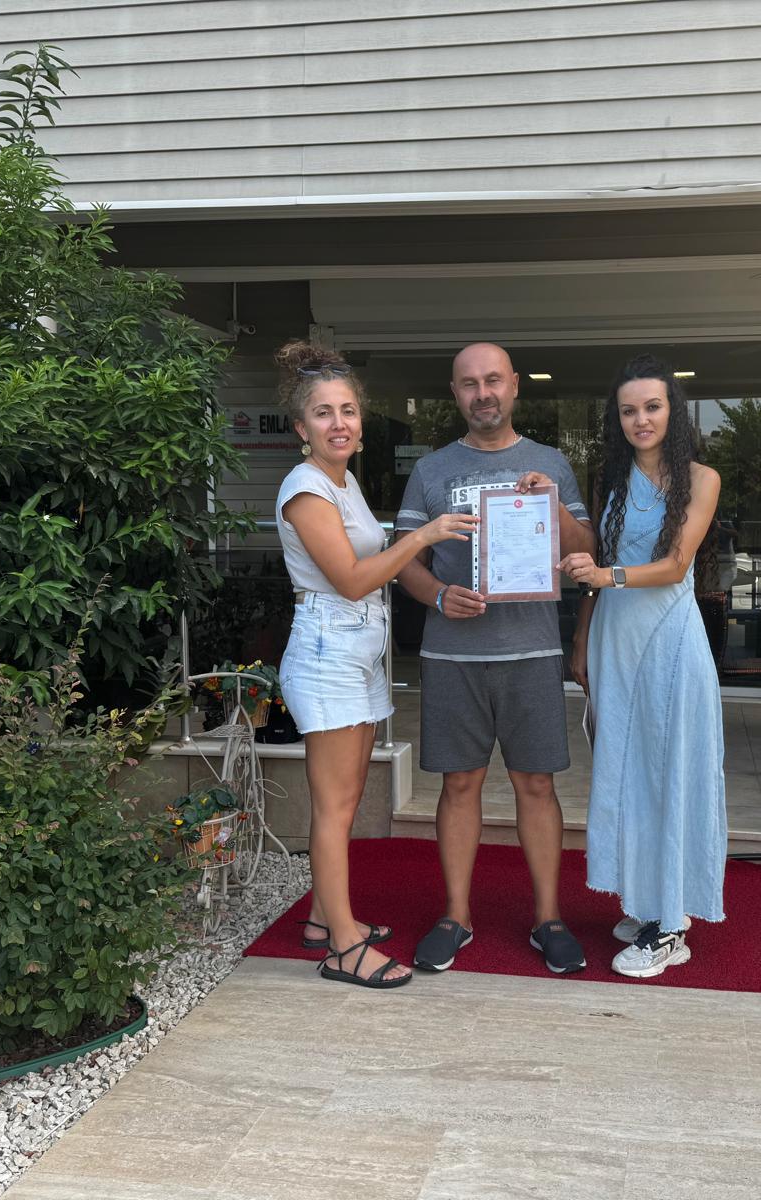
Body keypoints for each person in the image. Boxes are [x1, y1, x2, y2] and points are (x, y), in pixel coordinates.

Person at [272, 341, 477, 989]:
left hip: (356, 652)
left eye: (348, 411)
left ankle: (322, 918)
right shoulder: (306, 489)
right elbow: (354, 579)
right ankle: (343, 947)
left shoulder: (344, 482)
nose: (339, 423)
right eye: (323, 413)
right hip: (327, 653)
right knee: (334, 808)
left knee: (349, 797)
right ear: (301, 428)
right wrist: (423, 536)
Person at [395, 342, 596, 974]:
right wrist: (437, 594)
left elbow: (586, 549)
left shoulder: (551, 462)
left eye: (493, 380)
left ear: (514, 386)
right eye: (468, 383)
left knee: (537, 783)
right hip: (452, 653)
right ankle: (456, 915)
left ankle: (548, 918)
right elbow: (405, 560)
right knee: (459, 783)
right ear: (455, 393)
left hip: (531, 648)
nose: (482, 393)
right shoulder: (431, 469)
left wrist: (552, 504)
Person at [560, 354, 727, 978]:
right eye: (629, 410)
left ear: (672, 411)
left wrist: (607, 576)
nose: (641, 419)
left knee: (668, 772)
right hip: (614, 639)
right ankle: (647, 899)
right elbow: (593, 567)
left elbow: (677, 564)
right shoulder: (613, 480)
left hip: (668, 642)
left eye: (652, 406)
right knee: (628, 770)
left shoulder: (702, 479)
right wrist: (583, 637)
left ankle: (671, 925)